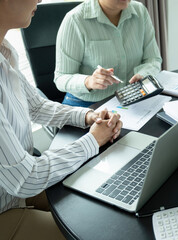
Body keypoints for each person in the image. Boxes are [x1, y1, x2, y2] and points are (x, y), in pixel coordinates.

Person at [0, 0, 123, 238]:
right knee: (94, 231)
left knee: (102, 202)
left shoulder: (4, 52)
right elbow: (26, 178)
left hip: (14, 192)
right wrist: (93, 141)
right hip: (6, 209)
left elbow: (36, 106)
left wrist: (89, 116)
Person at [55, 0, 162, 107]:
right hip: (87, 104)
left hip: (133, 98)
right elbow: (61, 78)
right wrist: (89, 81)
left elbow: (153, 59)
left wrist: (144, 74)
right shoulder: (74, 19)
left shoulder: (140, 11)